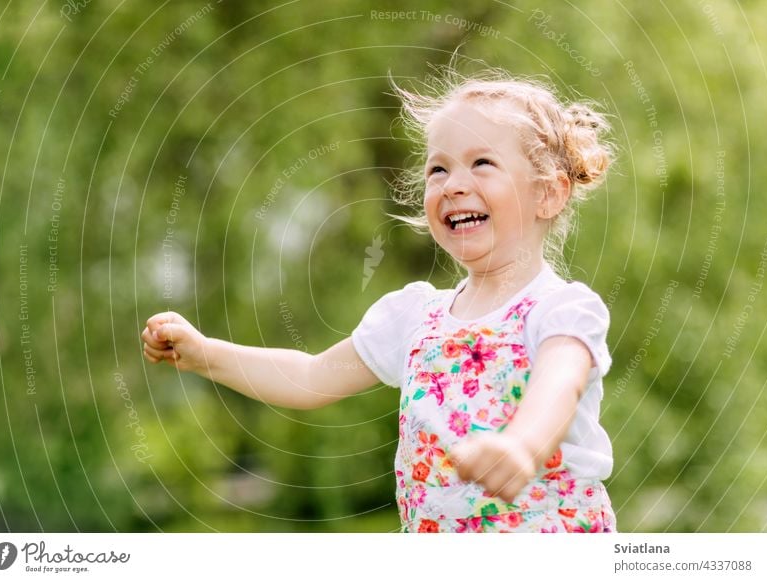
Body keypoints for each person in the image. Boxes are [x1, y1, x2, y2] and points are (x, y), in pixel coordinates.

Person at [142, 66, 617, 533]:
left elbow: (560, 385)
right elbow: (310, 378)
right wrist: (205, 354)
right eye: (438, 168)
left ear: (549, 194)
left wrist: (521, 445)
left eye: (482, 163)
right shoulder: (414, 317)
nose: (452, 184)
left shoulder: (562, 310)